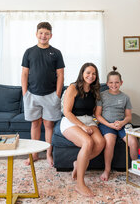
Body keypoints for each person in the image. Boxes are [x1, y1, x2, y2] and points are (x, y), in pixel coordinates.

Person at [21, 22, 65, 167]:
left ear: (50, 35)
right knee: (35, 124)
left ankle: (48, 154)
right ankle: (34, 155)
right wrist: (25, 93)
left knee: (48, 125)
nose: (43, 36)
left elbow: (60, 75)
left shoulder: (56, 52)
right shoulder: (29, 52)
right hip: (32, 95)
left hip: (51, 95)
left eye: (46, 33)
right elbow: (25, 73)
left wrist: (58, 95)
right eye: (41, 33)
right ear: (36, 34)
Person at [61, 63, 105, 197]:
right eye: (88, 73)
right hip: (72, 121)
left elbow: (94, 112)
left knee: (101, 142)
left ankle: (78, 163)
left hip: (89, 120)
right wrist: (82, 126)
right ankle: (80, 184)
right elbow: (67, 112)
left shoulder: (94, 90)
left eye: (94, 73)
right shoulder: (72, 88)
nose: (91, 76)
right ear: (82, 73)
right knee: (88, 143)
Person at [95, 66, 138, 181]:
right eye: (111, 82)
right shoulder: (102, 96)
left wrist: (122, 122)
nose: (114, 85)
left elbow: (129, 116)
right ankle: (107, 170)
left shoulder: (125, 97)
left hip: (122, 124)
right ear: (107, 83)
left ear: (121, 82)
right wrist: (110, 125)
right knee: (110, 142)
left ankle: (137, 168)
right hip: (106, 125)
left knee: (133, 141)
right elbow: (98, 115)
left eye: (117, 82)